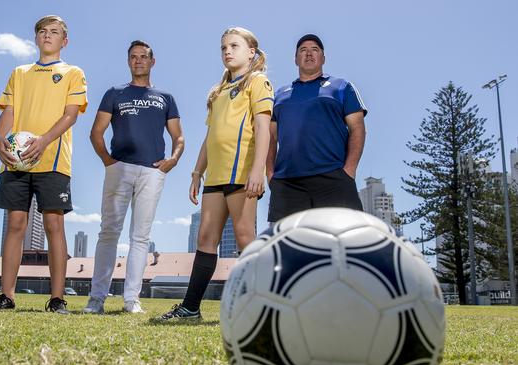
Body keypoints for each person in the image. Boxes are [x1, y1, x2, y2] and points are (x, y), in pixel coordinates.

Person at [157, 27, 272, 321]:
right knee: (206, 240)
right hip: (215, 178)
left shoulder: (258, 82)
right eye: (223, 47)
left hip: (242, 174)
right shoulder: (218, 91)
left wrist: (258, 170)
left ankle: (265, 308)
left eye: (234, 46)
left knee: (247, 238)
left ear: (251, 51)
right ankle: (190, 308)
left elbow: (263, 129)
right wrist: (197, 172)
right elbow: (211, 136)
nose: (227, 51)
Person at [0, 15, 88, 314]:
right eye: (42, 31)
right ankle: (6, 296)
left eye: (54, 32)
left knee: (54, 224)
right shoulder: (19, 72)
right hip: (16, 161)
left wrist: (43, 140)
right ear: (36, 38)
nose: (47, 36)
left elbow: (71, 115)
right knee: (15, 224)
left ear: (64, 41)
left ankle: (57, 299)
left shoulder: (72, 73)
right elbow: (9, 110)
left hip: (53, 160)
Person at [83, 40, 184, 314]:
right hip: (120, 168)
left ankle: (131, 300)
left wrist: (172, 160)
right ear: (128, 62)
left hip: (152, 172)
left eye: (143, 57)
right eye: (133, 57)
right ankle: (97, 299)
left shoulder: (165, 97)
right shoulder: (114, 93)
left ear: (152, 62)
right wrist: (108, 161)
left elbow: (179, 137)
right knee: (108, 233)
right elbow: (96, 132)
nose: (138, 60)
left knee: (140, 237)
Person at [266, 34, 367, 224]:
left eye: (315, 50)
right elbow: (270, 137)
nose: (309, 54)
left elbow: (358, 128)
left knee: (344, 243)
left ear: (323, 58)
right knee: (290, 248)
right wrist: (270, 174)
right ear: (296, 59)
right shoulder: (279, 94)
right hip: (287, 183)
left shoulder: (341, 87)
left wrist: (349, 170)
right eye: (303, 50)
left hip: (334, 178)